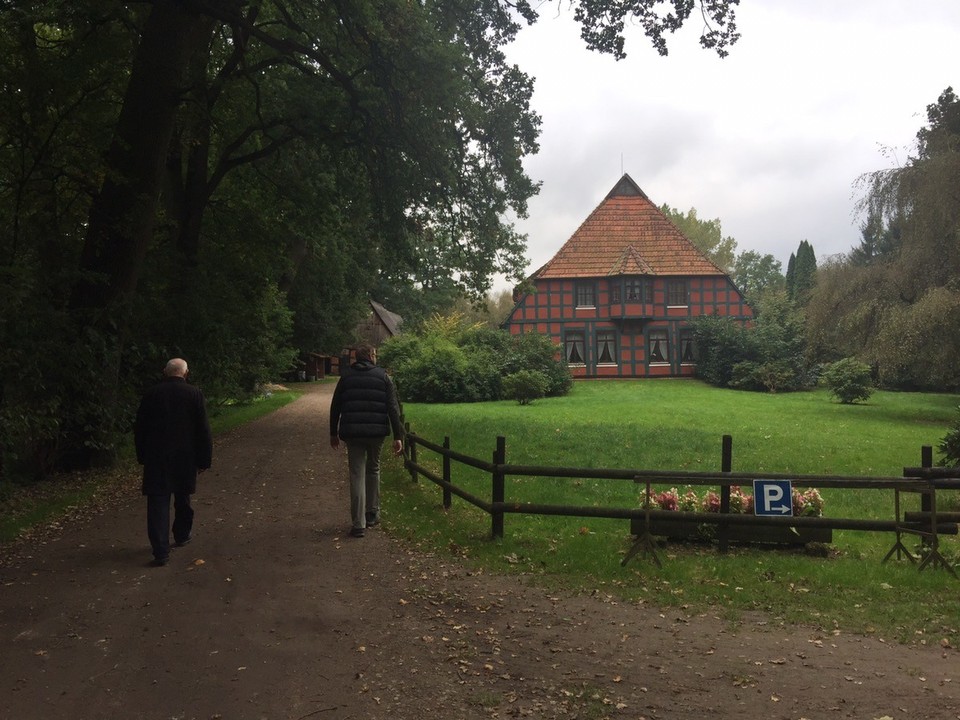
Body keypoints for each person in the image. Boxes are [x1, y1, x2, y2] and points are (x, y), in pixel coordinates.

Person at [134, 358, 213, 566]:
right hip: (185, 457)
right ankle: (182, 534)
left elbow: (140, 428)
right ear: (186, 373)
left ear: (164, 372)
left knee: (157, 502)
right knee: (183, 496)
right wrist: (204, 459)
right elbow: (203, 430)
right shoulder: (194, 394)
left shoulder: (151, 394)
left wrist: (142, 455)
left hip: (156, 457)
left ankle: (160, 551)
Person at [329, 344, 403, 538]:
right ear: (370, 356)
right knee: (374, 469)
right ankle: (372, 513)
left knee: (356, 474)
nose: (376, 357)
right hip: (376, 433)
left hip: (352, 432)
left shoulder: (346, 377)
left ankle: (358, 524)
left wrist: (333, 433)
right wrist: (398, 436)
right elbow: (393, 408)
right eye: (375, 354)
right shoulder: (383, 377)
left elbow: (335, 406)